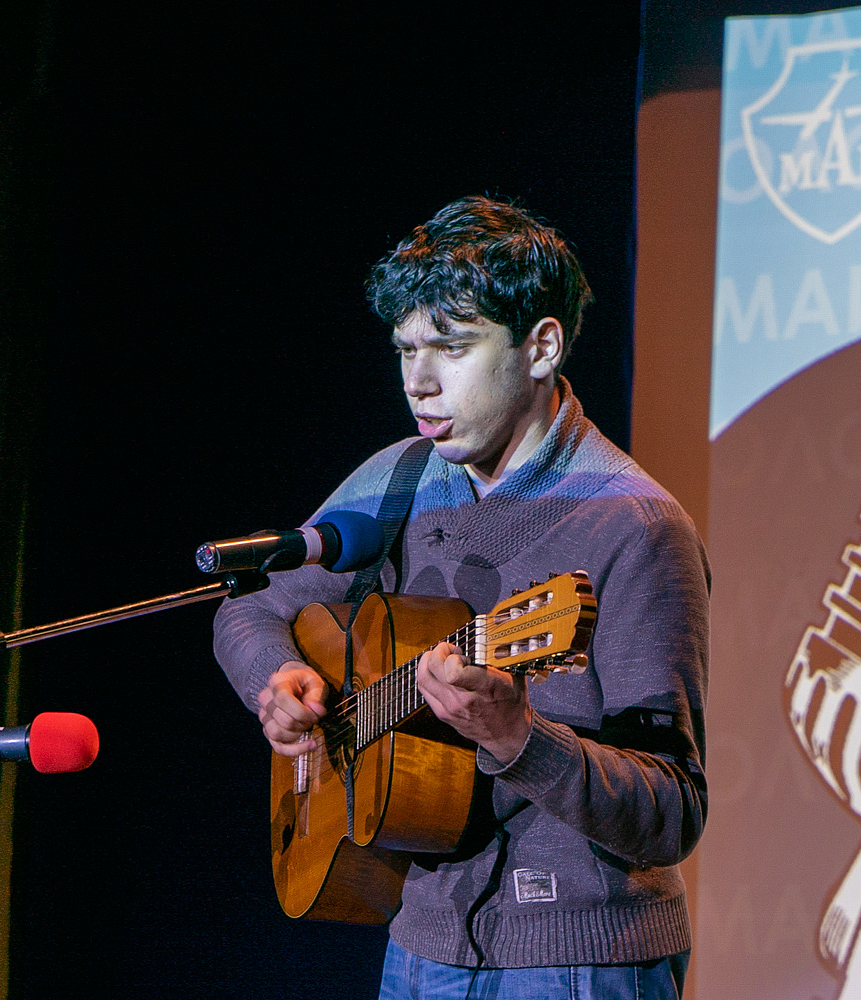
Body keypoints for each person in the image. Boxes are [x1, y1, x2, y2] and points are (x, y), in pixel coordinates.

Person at [213, 196, 708, 1000]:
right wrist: (275, 680)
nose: (419, 382)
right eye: (406, 349)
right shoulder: (403, 477)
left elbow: (672, 811)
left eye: (452, 347)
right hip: (420, 946)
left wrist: (518, 737)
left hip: (577, 960)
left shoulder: (634, 524)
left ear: (542, 345)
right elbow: (248, 605)